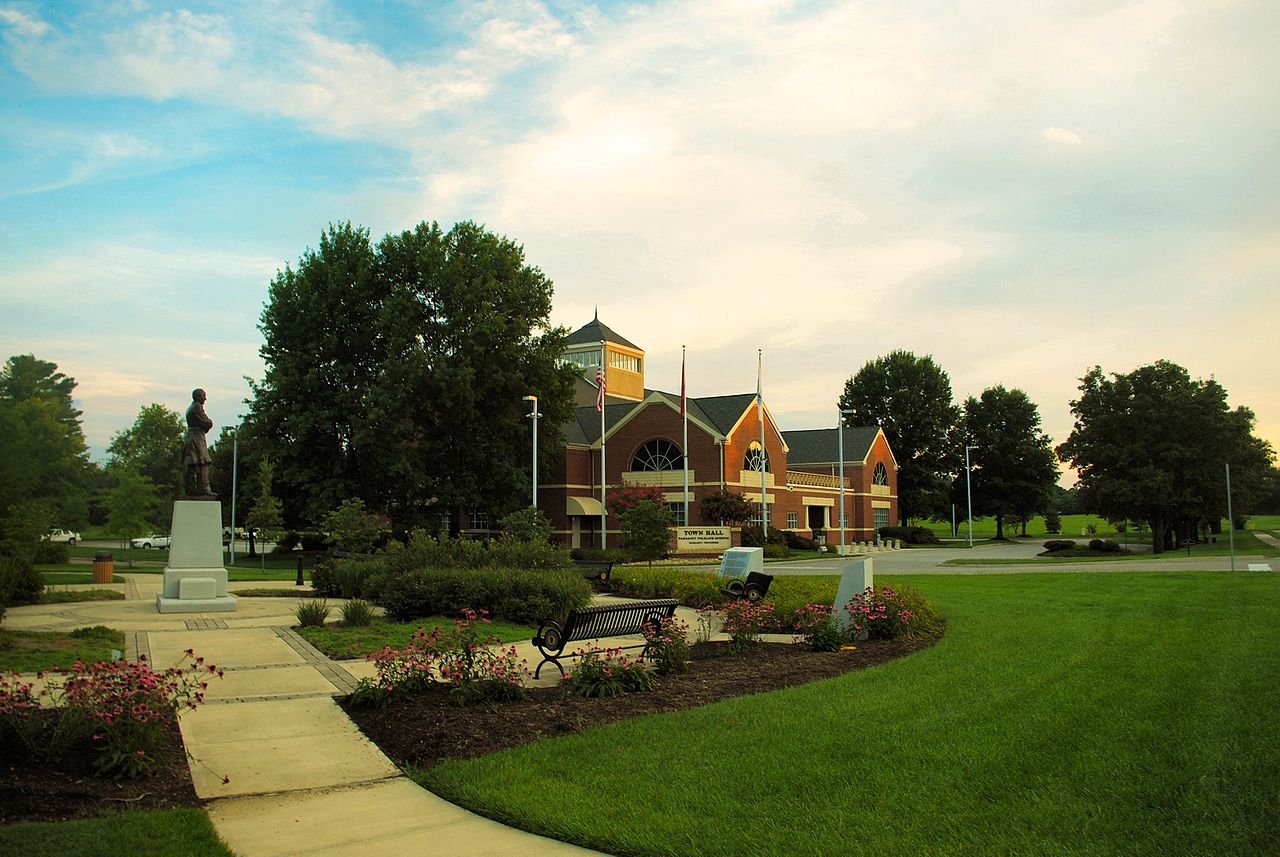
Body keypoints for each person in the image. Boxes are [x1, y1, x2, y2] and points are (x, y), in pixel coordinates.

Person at [183, 388, 215, 496]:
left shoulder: (191, 408)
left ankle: (191, 489)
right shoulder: (197, 408)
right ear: (197, 397)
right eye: (203, 396)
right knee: (204, 462)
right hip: (197, 438)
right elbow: (207, 423)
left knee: (193, 464)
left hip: (192, 437)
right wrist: (209, 423)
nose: (205, 398)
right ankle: (204, 488)